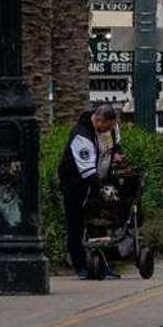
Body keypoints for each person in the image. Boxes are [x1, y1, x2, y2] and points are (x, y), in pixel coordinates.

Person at [57, 104, 122, 279]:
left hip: (101, 181)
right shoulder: (82, 136)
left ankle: (103, 264)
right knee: (76, 225)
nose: (110, 130)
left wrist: (117, 155)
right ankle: (80, 266)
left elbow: (114, 146)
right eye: (108, 126)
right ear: (99, 120)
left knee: (101, 223)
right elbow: (86, 170)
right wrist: (99, 189)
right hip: (77, 185)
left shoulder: (109, 130)